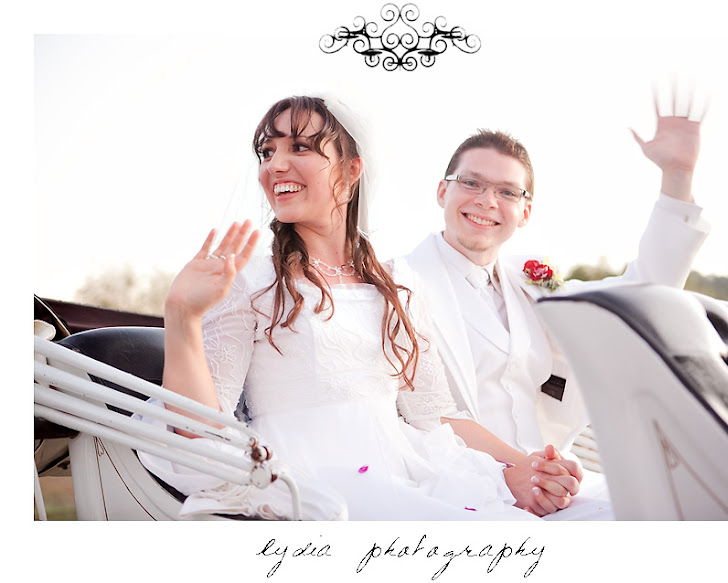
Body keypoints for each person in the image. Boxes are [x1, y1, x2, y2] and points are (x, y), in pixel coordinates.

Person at [137, 95, 560, 520]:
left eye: (299, 147)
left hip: (410, 475)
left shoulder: (400, 286)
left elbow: (437, 418)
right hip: (315, 490)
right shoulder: (249, 281)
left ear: (351, 169)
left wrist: (528, 465)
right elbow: (201, 433)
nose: (274, 166)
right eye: (268, 152)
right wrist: (183, 317)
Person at [404, 89, 710, 518]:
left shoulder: (531, 281)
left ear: (525, 212)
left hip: (552, 484)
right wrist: (514, 472)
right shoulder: (397, 283)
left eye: (508, 192)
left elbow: (643, 292)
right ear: (442, 192)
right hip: (455, 488)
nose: (487, 201)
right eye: (471, 182)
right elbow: (405, 417)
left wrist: (678, 175)